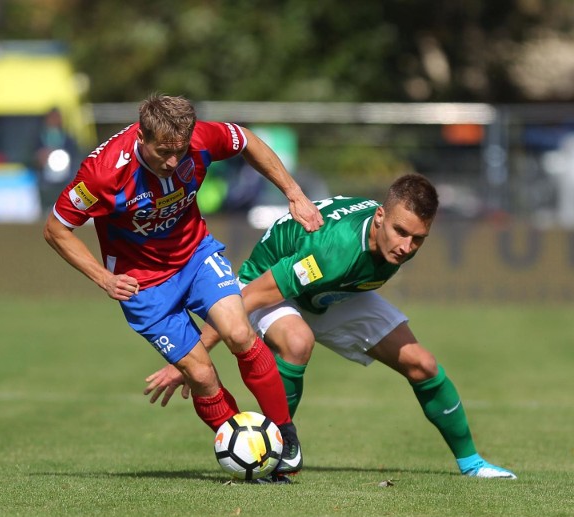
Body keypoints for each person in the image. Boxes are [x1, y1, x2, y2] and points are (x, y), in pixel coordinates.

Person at [145, 173, 517, 479]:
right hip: (268, 286)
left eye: (419, 238)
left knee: (423, 365)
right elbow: (252, 296)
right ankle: (280, 448)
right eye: (401, 232)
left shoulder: (384, 233)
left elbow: (349, 269)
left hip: (332, 291)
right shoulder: (334, 250)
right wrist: (191, 357)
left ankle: (472, 464)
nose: (407, 246)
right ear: (380, 218)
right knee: (297, 339)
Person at [43, 93, 324, 479]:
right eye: (164, 152)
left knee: (240, 333)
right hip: (143, 285)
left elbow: (247, 140)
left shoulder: (199, 139)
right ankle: (255, 456)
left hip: (195, 256)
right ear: (141, 136)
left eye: (181, 151)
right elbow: (57, 229)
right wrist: (103, 278)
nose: (174, 161)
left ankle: (286, 440)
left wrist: (293, 194)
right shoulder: (103, 173)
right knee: (203, 376)